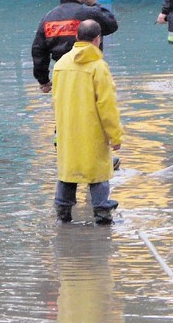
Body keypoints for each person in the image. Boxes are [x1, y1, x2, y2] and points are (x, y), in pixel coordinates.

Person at [52, 19, 124, 224]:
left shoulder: (61, 64)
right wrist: (115, 135)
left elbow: (55, 101)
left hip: (67, 131)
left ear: (76, 37)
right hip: (92, 133)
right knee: (98, 175)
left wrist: (58, 131)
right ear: (97, 40)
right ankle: (102, 213)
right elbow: (107, 106)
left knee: (68, 172)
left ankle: (63, 213)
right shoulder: (99, 68)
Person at [32, 0, 118, 93]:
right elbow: (112, 25)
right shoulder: (90, 13)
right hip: (90, 74)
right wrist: (94, 4)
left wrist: (43, 80)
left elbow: (38, 50)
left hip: (62, 75)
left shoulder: (49, 17)